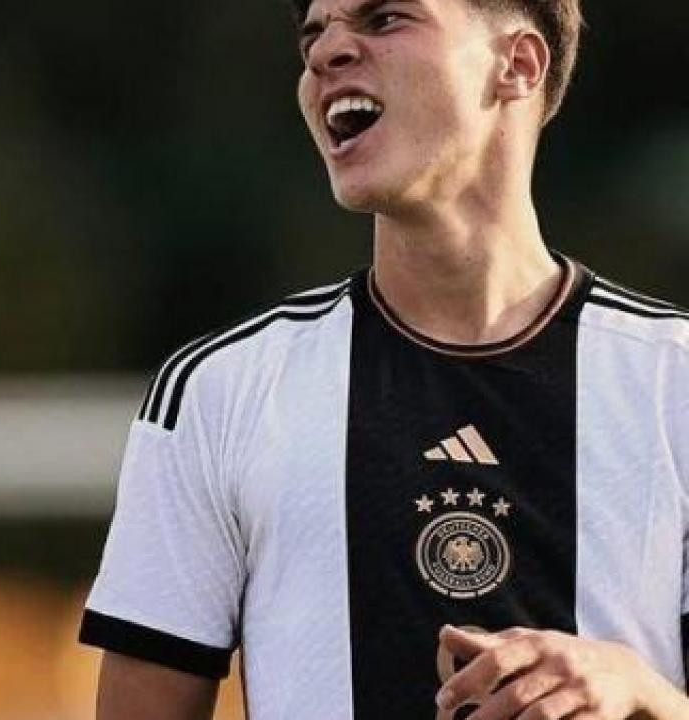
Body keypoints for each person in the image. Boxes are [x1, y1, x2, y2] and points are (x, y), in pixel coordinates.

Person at [78, 0, 689, 717]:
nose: (325, 52)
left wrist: (642, 693)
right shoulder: (219, 393)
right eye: (314, 34)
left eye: (385, 19)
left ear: (517, 64)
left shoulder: (673, 380)